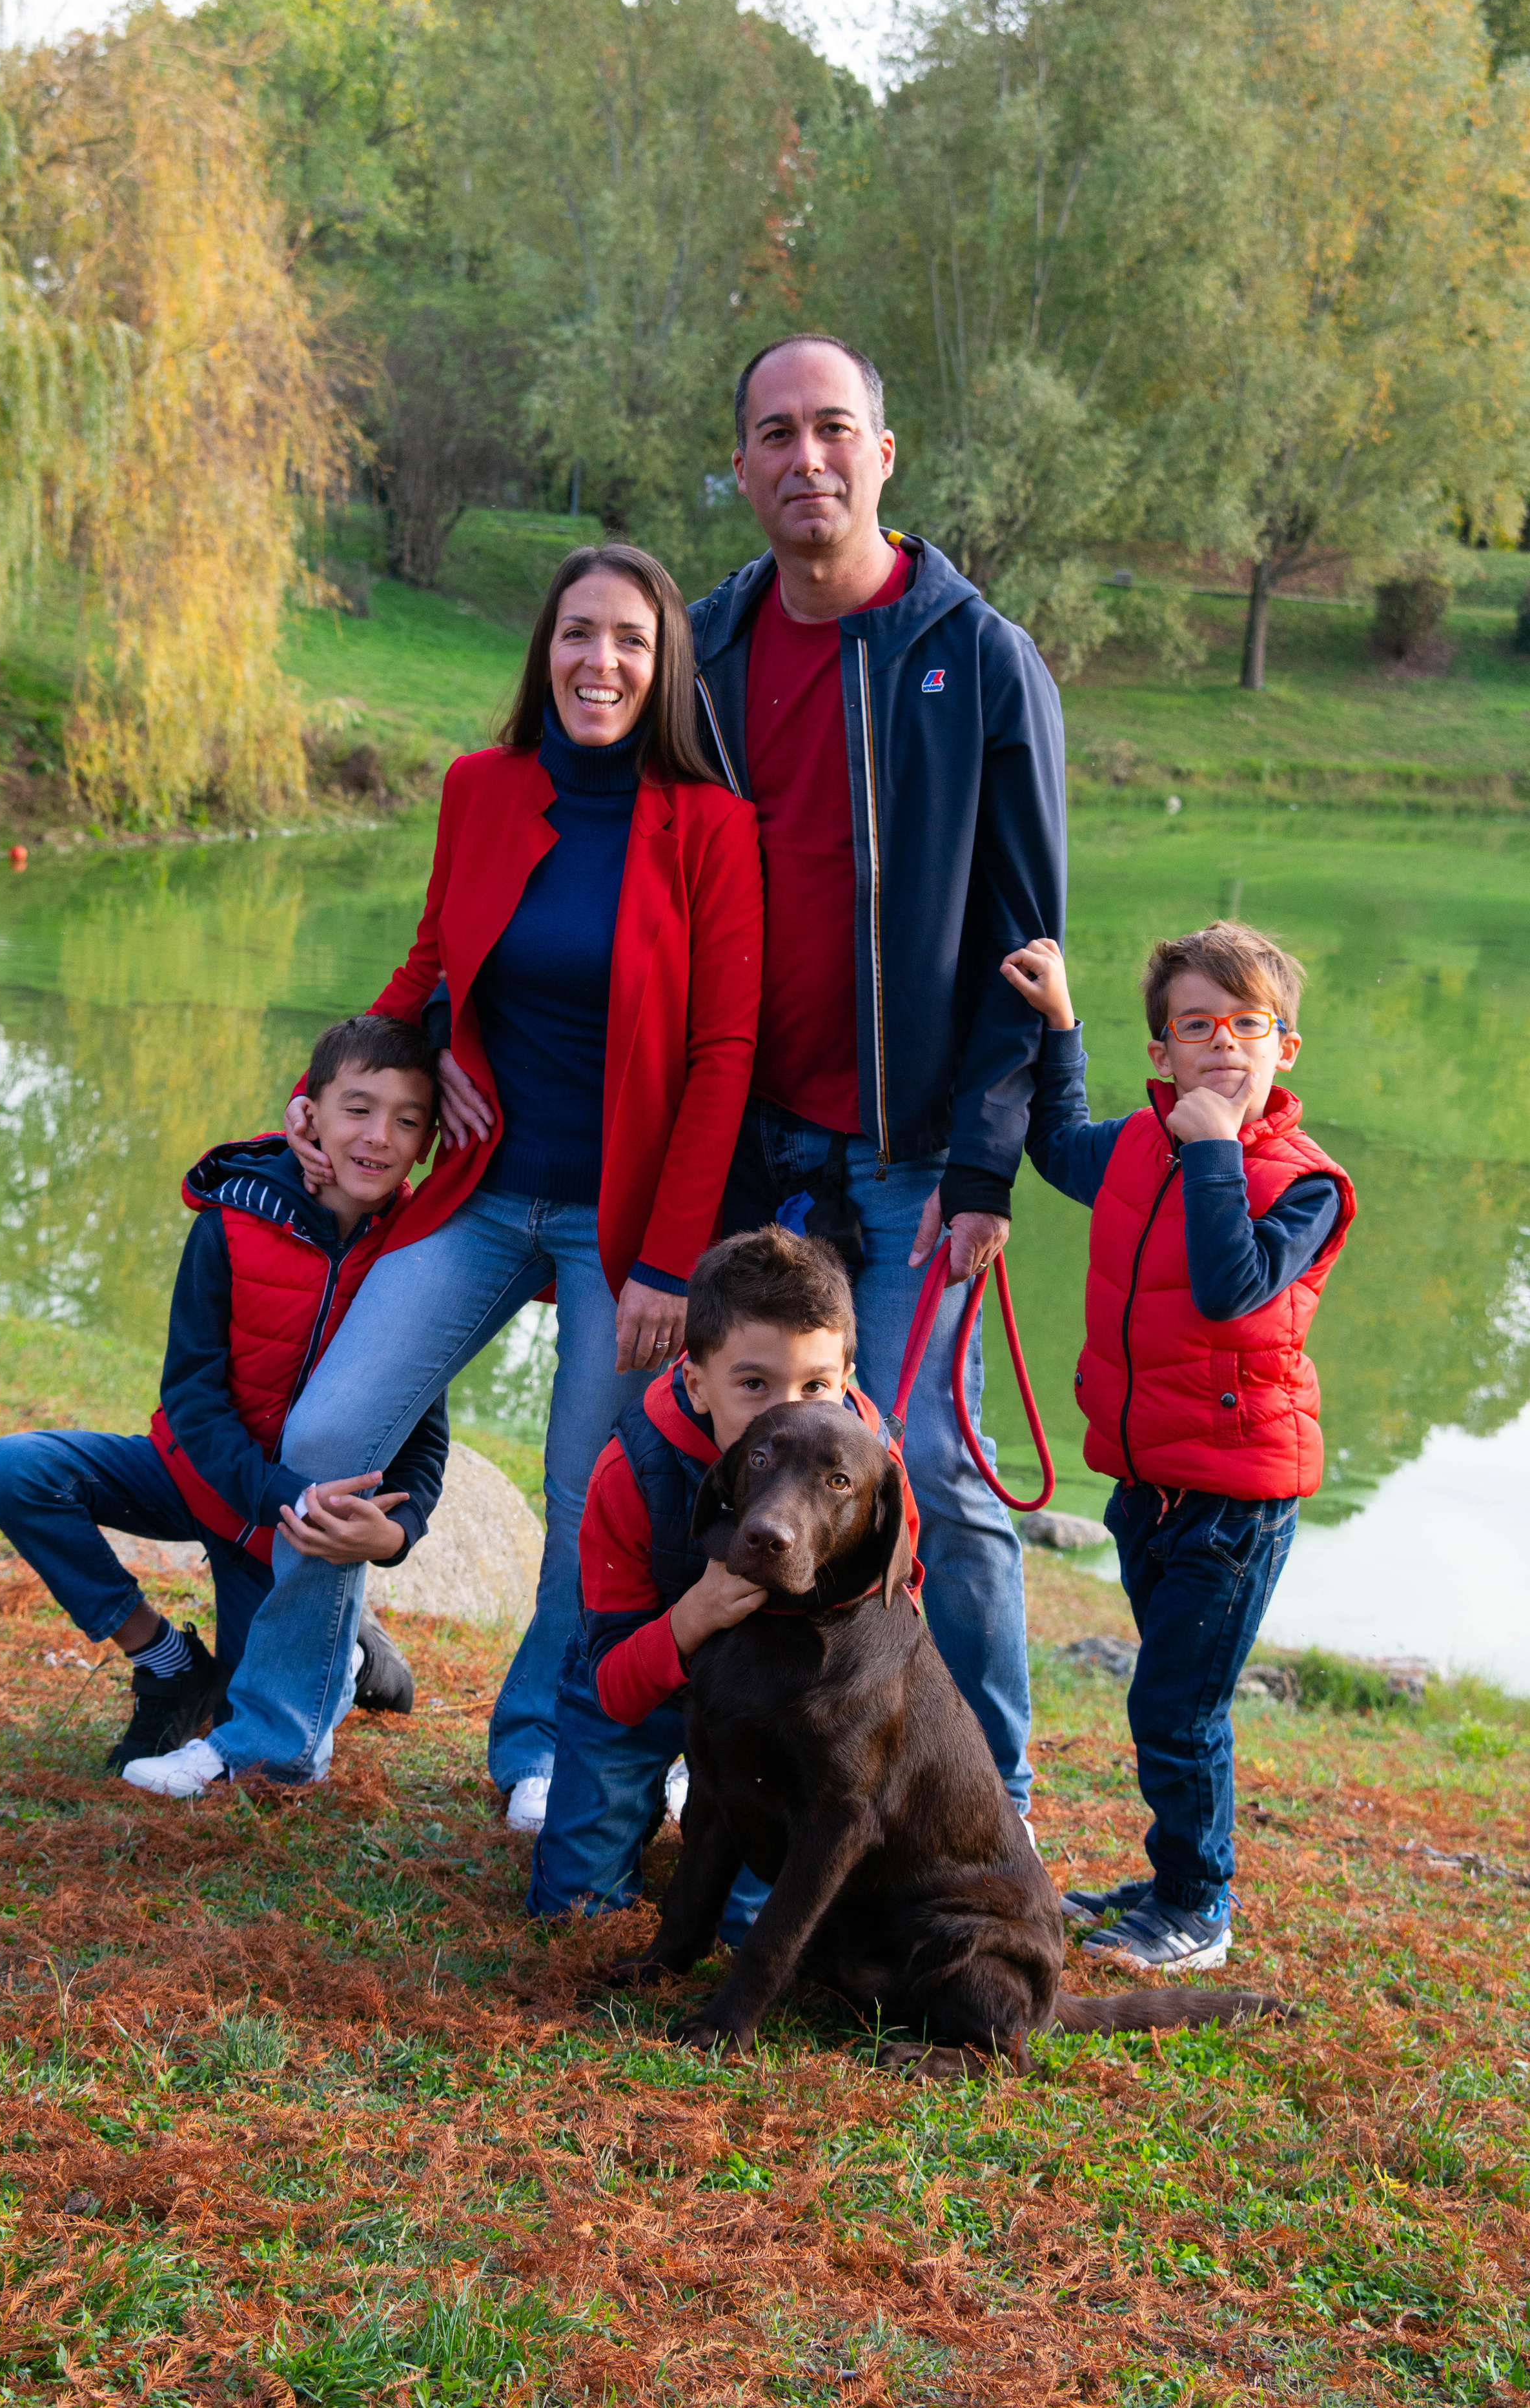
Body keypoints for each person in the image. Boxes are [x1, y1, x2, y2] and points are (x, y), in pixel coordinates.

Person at [148, 545, 762, 1814]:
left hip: (623, 1222)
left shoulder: (708, 825)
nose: (601, 662)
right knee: (326, 1432)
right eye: (578, 634)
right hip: (480, 1191)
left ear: (665, 670)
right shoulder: (483, 788)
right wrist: (350, 1085)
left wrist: (665, 1263)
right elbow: (433, 957)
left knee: (589, 1487)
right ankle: (276, 1726)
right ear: (544, 652)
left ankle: (541, 1745)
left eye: (631, 643)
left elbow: (722, 1052)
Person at [691, 329, 1065, 1819]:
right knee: (740, 1457)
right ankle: (748, 1776)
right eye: (774, 434)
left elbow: (1027, 938)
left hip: (912, 1152)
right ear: (740, 466)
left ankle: (994, 1798)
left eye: (832, 429)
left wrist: (985, 1161)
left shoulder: (974, 654)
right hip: (752, 1143)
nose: (805, 459)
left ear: (883, 453)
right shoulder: (706, 643)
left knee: (920, 1458)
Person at [1005, 920, 1356, 1969]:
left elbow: (1230, 1288)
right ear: (1160, 1051)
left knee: (1181, 1703)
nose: (1224, 1044)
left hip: (1238, 1497)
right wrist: (1060, 1024)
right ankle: (1169, 1881)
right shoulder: (1132, 1147)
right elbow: (1054, 1139)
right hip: (1148, 1482)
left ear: (1285, 1048)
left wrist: (1210, 1145)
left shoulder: (1306, 1184)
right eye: (1197, 1025)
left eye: (1249, 1024)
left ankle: (1199, 1911)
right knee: (1164, 1690)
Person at [0, 1014, 444, 1786]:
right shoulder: (237, 1217)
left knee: (252, 1744)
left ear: (426, 1142)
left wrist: (395, 1534)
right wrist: (280, 1496)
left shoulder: (422, 1256)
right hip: (201, 1478)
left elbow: (425, 1436)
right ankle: (166, 1664)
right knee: (18, 1470)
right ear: (309, 1112)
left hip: (290, 1532)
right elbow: (190, 1396)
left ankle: (342, 1632)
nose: (378, 1137)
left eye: (406, 1120)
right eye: (357, 1109)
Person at [530, 1223, 921, 1930]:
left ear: (847, 1384)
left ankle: (720, 1804)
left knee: (751, 1929)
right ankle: (646, 1795)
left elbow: (894, 1628)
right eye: (753, 1384)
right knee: (574, 1912)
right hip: (646, 1690)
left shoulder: (873, 1475)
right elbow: (613, 1689)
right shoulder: (630, 1472)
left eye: (815, 1386)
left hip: (781, 1720)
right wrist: (695, 1615)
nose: (787, 1413)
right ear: (696, 1382)